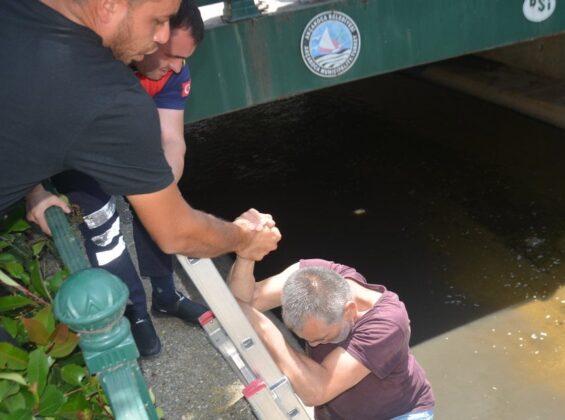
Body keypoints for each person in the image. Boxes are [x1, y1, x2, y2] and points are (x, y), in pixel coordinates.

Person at [0, 1, 280, 262]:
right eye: (158, 20)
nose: (162, 36)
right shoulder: (110, 97)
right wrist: (243, 237)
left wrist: (33, 188)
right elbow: (176, 232)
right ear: (110, 5)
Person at [25, 0, 209, 357]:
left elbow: (171, 139)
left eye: (184, 59)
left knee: (158, 204)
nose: (177, 67)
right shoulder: (90, 65)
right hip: (77, 153)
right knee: (103, 228)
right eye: (171, 55)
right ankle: (133, 311)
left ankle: (166, 295)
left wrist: (161, 189)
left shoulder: (173, 74)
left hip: (126, 144)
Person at [228, 258, 436, 419]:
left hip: (397, 414)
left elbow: (317, 392)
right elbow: (241, 302)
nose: (313, 345)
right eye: (306, 339)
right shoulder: (311, 277)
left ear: (350, 311)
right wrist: (247, 256)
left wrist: (266, 329)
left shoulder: (388, 324)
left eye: (323, 338)